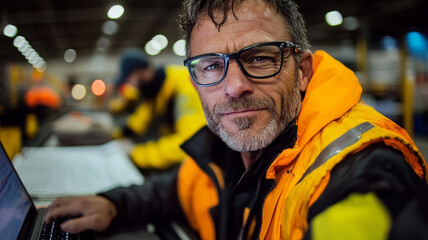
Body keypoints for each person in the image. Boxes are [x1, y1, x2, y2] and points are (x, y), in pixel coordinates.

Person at [45, 0, 428, 239]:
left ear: (304, 71)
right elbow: (171, 191)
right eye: (211, 65)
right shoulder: (222, 154)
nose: (235, 87)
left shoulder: (361, 173)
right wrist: (114, 205)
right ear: (194, 79)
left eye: (260, 57)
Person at [110, 48, 206, 169]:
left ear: (140, 71)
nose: (130, 87)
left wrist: (136, 153)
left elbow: (190, 144)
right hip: (177, 161)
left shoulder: (184, 86)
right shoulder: (154, 90)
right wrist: (111, 134)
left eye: (130, 80)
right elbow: (138, 122)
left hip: (195, 165)